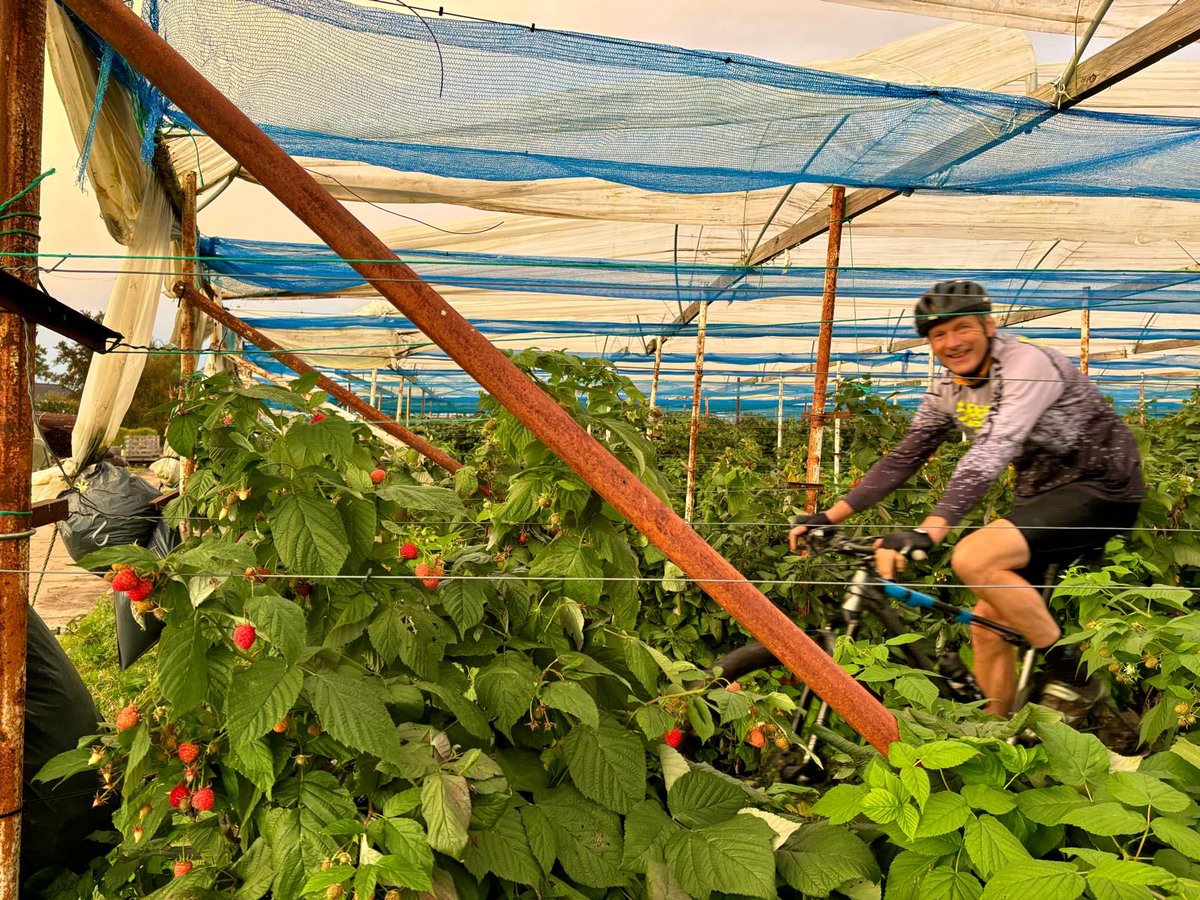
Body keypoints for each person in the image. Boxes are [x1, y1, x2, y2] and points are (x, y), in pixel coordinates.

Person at [789, 280, 1145, 718]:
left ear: (989, 326)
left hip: (1102, 486)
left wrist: (929, 531)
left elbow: (994, 447)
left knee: (974, 557)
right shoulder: (948, 391)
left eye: (962, 328)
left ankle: (1072, 677)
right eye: (939, 334)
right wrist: (831, 515)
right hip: (1041, 493)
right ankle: (998, 739)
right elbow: (906, 456)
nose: (952, 342)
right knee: (988, 629)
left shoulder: (1027, 364)